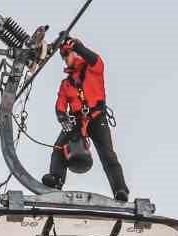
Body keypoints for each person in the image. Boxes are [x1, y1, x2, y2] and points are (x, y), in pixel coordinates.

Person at [42, 36, 129, 202]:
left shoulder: (93, 70)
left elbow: (96, 60)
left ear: (76, 53)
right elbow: (61, 103)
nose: (65, 59)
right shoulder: (67, 83)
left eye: (66, 55)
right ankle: (56, 179)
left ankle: (120, 190)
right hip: (77, 120)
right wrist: (62, 116)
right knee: (59, 147)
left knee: (108, 155)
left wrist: (77, 46)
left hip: (96, 117)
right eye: (63, 56)